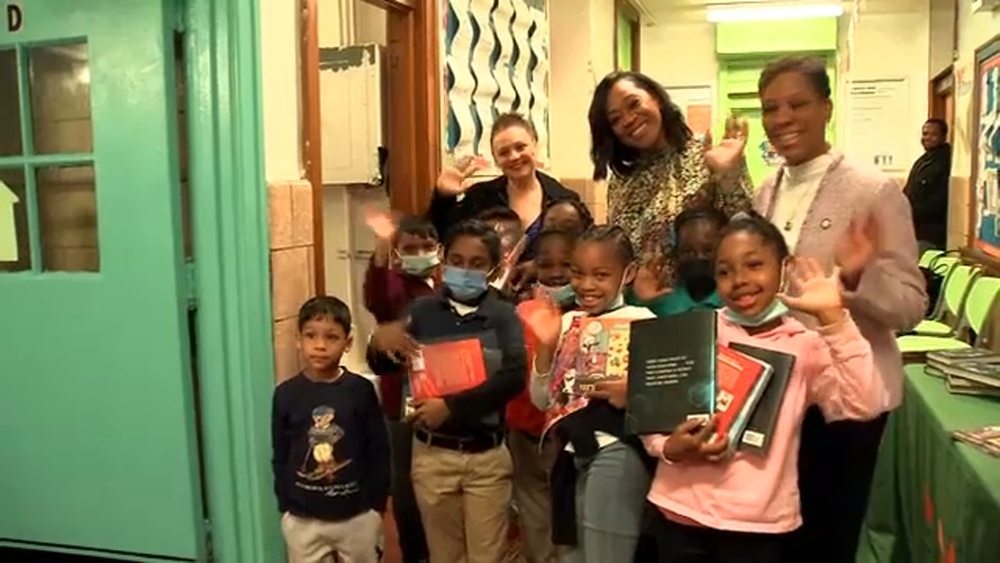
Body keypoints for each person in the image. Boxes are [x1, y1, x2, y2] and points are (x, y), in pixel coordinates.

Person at [753, 56, 927, 563]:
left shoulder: (872, 190)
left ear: (826, 107)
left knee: (829, 538)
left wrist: (856, 277)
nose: (783, 118)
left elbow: (910, 306)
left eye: (797, 104)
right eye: (771, 108)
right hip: (778, 393)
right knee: (779, 538)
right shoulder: (766, 190)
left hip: (847, 397)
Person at [642, 213, 887, 563]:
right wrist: (669, 447)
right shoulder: (695, 330)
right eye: (725, 271)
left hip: (756, 525)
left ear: (783, 267)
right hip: (680, 513)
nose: (740, 280)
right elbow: (653, 410)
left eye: (754, 265)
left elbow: (864, 404)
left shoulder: (805, 346)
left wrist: (834, 320)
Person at [369, 219, 527, 563]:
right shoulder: (422, 312)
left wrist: (451, 408)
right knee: (444, 555)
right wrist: (379, 343)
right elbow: (386, 364)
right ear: (443, 258)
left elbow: (514, 377)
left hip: (486, 459)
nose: (465, 270)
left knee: (488, 556)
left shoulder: (503, 316)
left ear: (494, 268)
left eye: (477, 263)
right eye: (457, 260)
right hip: (432, 457)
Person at [528, 225, 657, 563]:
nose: (586, 285)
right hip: (568, 452)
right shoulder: (566, 322)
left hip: (616, 445)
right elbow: (541, 400)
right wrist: (546, 346)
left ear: (628, 273)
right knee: (571, 554)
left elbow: (664, 398)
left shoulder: (645, 322)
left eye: (600, 275)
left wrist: (632, 390)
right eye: (578, 273)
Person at [588, 71, 753, 296]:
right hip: (642, 306)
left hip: (705, 302)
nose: (628, 120)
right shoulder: (621, 180)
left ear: (656, 98)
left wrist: (729, 173)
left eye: (634, 104)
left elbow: (746, 230)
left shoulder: (707, 155)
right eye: (615, 119)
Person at [272, 296, 390, 563]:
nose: (320, 345)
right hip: (303, 519)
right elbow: (281, 452)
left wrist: (377, 506)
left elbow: (378, 449)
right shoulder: (286, 394)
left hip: (357, 516)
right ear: (298, 339)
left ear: (347, 342)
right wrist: (286, 505)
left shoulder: (360, 391)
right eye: (310, 336)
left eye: (331, 337)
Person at [361, 211, 436, 563]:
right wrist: (381, 248)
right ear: (397, 253)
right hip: (400, 400)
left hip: (443, 396)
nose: (419, 253)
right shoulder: (393, 284)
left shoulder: (448, 284)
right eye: (410, 248)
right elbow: (376, 297)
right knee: (405, 483)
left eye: (426, 246)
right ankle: (414, 554)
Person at [507, 228, 578, 563]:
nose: (556, 273)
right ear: (534, 266)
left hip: (569, 435)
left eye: (567, 264)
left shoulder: (588, 316)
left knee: (568, 512)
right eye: (547, 264)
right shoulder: (520, 313)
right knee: (533, 508)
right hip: (525, 428)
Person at [427, 112, 583, 254]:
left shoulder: (564, 199)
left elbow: (582, 249)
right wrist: (442, 197)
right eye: (504, 152)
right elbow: (441, 236)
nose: (514, 156)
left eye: (520, 147)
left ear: (534, 145)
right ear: (495, 159)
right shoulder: (480, 198)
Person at [627, 207, 726, 316]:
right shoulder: (662, 304)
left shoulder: (734, 303)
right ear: (677, 253)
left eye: (708, 251)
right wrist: (641, 302)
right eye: (688, 252)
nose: (699, 257)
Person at [903, 118, 952, 252]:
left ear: (943, 137)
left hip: (931, 233)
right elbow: (909, 189)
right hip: (914, 229)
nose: (927, 138)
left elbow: (940, 200)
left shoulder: (945, 162)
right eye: (925, 134)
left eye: (934, 134)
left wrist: (911, 212)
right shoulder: (923, 160)